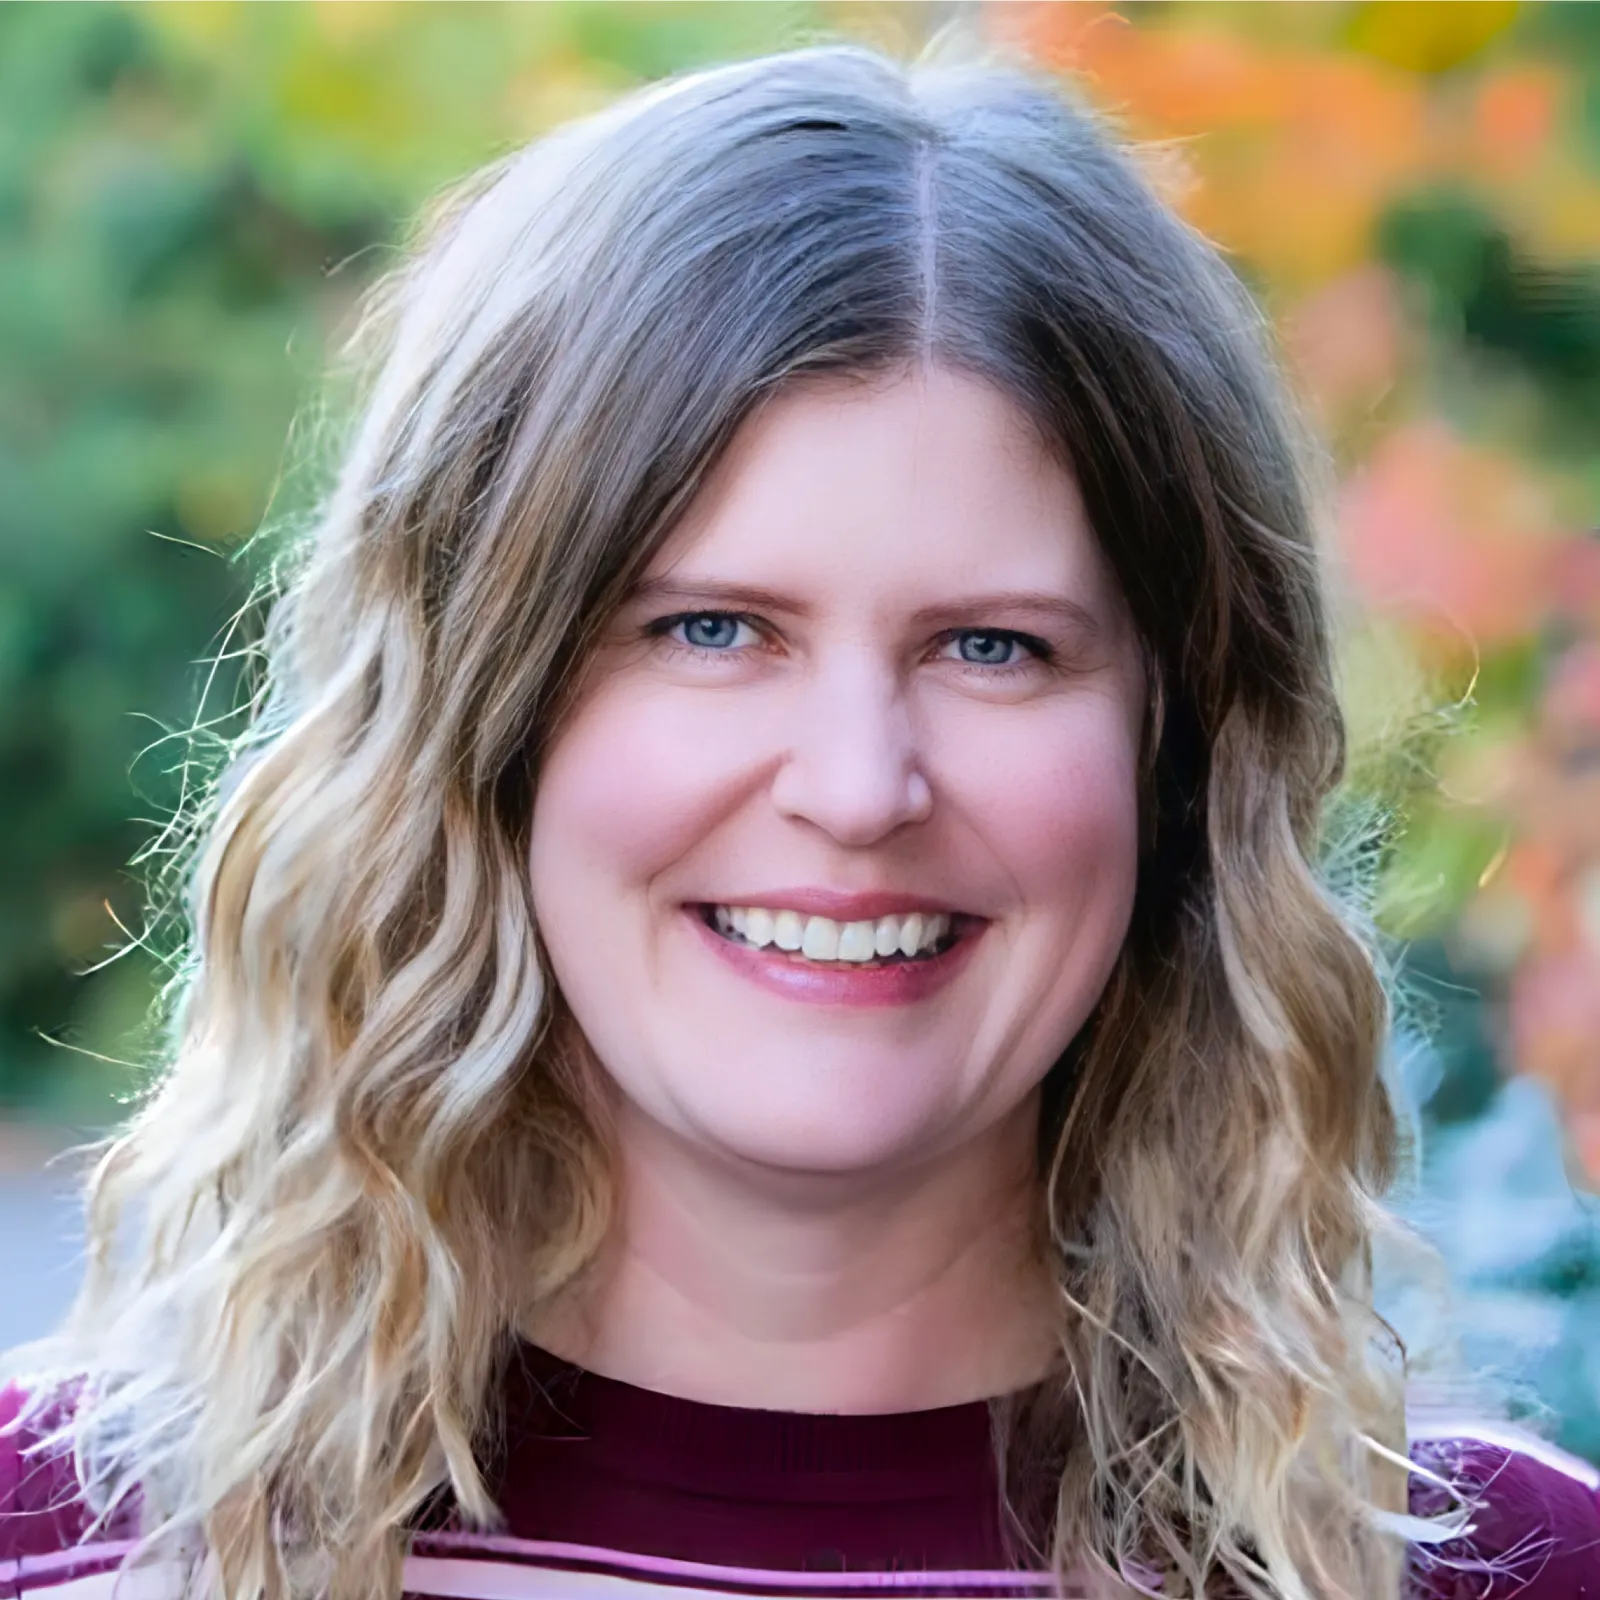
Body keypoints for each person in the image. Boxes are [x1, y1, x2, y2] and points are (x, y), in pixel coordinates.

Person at [3, 40, 1597, 1600]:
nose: (856, 787)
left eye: (995, 647)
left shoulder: (1497, 1576)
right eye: (710, 629)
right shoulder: (69, 1549)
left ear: (1180, 756)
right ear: (479, 721)